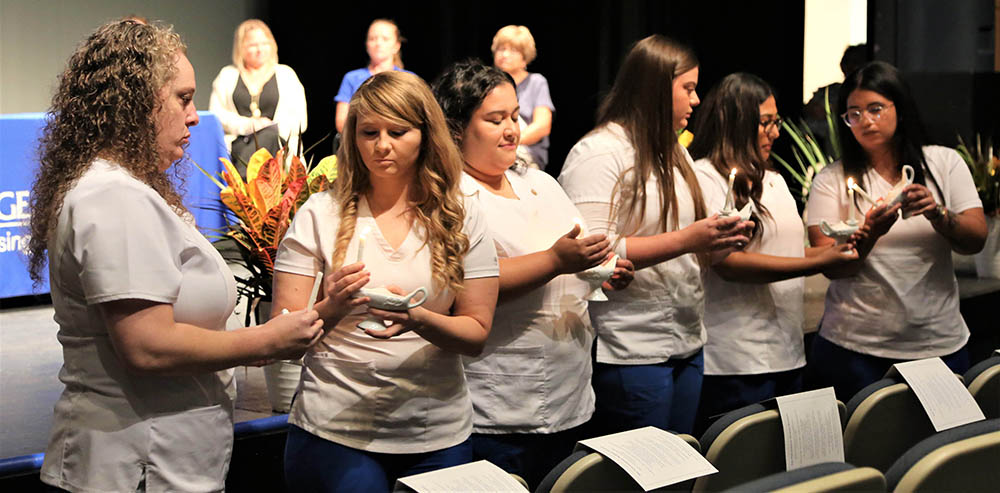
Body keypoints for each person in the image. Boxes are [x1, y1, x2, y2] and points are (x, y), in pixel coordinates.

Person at [27, 21, 323, 492]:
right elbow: (149, 346)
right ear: (136, 104)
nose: (195, 116)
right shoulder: (113, 196)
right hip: (132, 469)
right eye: (183, 98)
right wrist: (267, 341)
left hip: (160, 463)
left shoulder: (130, 189)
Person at [273, 70, 500, 492]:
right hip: (335, 430)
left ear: (426, 134)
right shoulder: (319, 214)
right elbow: (280, 339)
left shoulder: (461, 215)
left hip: (436, 432)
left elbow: (476, 334)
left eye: (398, 131)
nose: (381, 146)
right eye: (368, 132)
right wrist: (331, 307)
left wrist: (418, 319)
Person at [432, 60, 634, 488]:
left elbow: (575, 249)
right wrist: (556, 262)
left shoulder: (538, 181)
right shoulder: (449, 196)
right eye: (494, 119)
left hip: (570, 389)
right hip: (500, 402)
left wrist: (601, 268)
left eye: (514, 115)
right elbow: (460, 287)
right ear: (455, 129)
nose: (512, 129)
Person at [558, 35, 752, 436]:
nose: (696, 101)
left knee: (681, 465)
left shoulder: (674, 149)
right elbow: (590, 255)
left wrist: (718, 235)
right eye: (688, 89)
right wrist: (690, 239)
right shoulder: (599, 153)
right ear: (656, 89)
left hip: (686, 340)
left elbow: (683, 233)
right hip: (632, 347)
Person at [805, 61, 986, 401]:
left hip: (937, 342)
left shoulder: (943, 163)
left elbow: (976, 238)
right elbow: (831, 265)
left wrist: (939, 214)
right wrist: (870, 232)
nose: (865, 121)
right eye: (853, 113)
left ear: (899, 109)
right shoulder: (832, 179)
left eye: (875, 109)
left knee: (941, 448)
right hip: (853, 345)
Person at [688, 73, 857, 431]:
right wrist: (818, 262)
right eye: (765, 123)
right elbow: (729, 265)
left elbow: (794, 253)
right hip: (735, 359)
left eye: (776, 122)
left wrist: (836, 251)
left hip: (787, 352)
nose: (775, 133)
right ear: (736, 122)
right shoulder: (705, 177)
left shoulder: (773, 178)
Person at [209, 19, 307, 170]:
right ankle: (246, 180)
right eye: (253, 45)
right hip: (240, 144)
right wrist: (248, 126)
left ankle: (245, 181)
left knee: (269, 136)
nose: (260, 49)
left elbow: (299, 120)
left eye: (264, 43)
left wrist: (267, 127)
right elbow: (216, 114)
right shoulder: (227, 75)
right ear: (240, 48)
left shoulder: (286, 74)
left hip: (278, 146)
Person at [491, 25, 555, 170]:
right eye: (501, 49)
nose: (505, 55)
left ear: (525, 57)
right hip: (495, 150)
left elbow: (542, 126)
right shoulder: (488, 84)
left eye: (513, 50)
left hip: (525, 153)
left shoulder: (536, 82)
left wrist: (510, 143)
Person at [334, 19, 413, 133]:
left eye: (385, 39)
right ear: (367, 44)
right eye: (372, 38)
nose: (378, 43)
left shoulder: (408, 79)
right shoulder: (352, 78)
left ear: (396, 46)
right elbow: (341, 121)